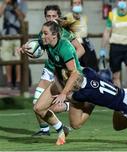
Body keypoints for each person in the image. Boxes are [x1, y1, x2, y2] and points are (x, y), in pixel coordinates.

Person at [18, 5, 85, 136]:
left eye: (54, 16)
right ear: (45, 17)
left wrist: (67, 63)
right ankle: (44, 129)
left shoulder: (64, 33)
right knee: (36, 102)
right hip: (50, 69)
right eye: (48, 16)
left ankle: (69, 107)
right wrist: (25, 49)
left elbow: (81, 49)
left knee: (54, 104)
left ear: (58, 16)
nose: (51, 18)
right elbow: (36, 48)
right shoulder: (45, 32)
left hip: (63, 72)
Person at [99, 0, 127, 91]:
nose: (122, 1)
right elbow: (107, 32)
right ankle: (119, 100)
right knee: (116, 76)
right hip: (115, 47)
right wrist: (102, 48)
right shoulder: (112, 14)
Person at [64, 0, 99, 72]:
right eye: (75, 3)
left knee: (91, 69)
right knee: (75, 69)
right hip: (74, 46)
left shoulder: (84, 17)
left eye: (79, 3)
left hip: (86, 45)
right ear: (71, 5)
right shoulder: (67, 18)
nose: (77, 5)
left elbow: (84, 34)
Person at [0, 0, 27, 88]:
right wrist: (4, 3)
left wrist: (15, 7)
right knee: (7, 59)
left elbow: (22, 17)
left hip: (18, 35)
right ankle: (9, 81)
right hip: (6, 35)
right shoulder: (5, 3)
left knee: (18, 58)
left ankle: (18, 82)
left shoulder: (22, 3)